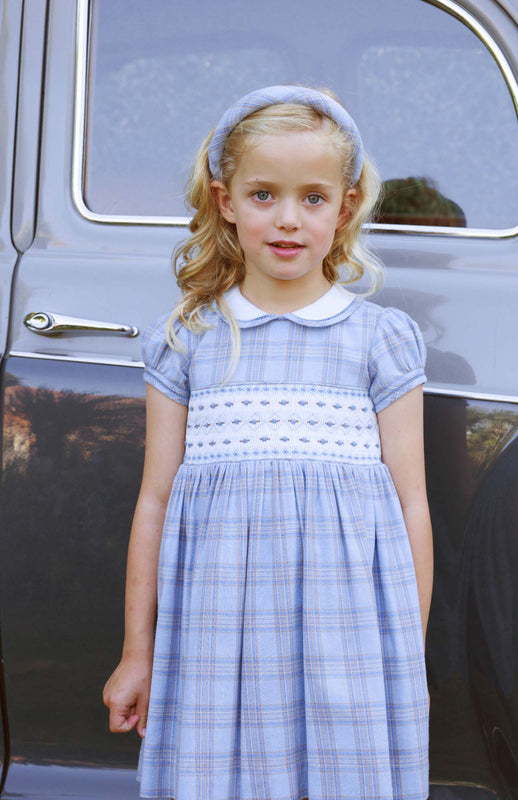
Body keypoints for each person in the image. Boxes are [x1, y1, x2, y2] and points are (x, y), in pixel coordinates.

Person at [102, 85, 433, 800]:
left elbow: (411, 507)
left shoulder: (379, 340)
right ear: (225, 201)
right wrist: (138, 652)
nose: (288, 220)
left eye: (313, 198)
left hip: (345, 648)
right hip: (217, 649)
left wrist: (407, 647)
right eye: (263, 195)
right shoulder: (188, 341)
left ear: (345, 207)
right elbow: (156, 501)